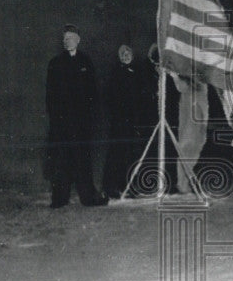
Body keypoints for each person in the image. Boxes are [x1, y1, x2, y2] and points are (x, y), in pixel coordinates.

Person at [45, 24, 108, 208]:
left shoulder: (86, 62)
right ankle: (59, 199)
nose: (67, 41)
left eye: (71, 38)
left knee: (82, 159)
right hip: (62, 123)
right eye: (65, 39)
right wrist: (56, 118)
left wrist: (88, 117)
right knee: (61, 160)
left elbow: (92, 93)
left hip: (81, 123)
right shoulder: (55, 63)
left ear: (78, 40)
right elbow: (50, 95)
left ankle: (88, 198)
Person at [102, 44, 158, 198]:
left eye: (128, 53)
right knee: (116, 154)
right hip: (120, 122)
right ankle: (110, 188)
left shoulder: (137, 73)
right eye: (122, 53)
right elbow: (110, 98)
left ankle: (129, 186)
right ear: (119, 57)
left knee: (132, 154)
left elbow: (142, 95)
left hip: (134, 121)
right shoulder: (115, 73)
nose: (125, 55)